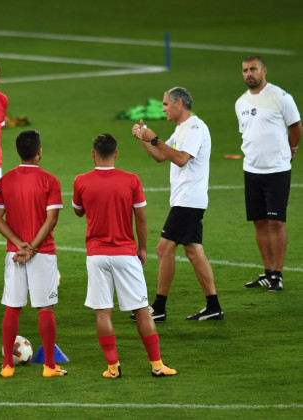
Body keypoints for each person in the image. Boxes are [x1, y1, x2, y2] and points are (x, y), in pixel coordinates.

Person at [73, 133, 177, 378]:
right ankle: (157, 365)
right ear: (116, 154)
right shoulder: (131, 180)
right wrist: (142, 248)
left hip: (96, 255)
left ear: (93, 154)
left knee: (103, 312)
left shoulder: (81, 180)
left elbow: (78, 211)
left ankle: (112, 368)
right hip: (126, 253)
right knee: (141, 308)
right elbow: (140, 217)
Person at [132, 87, 224, 321]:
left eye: (165, 104)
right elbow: (161, 155)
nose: (163, 108)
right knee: (194, 251)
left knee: (163, 248)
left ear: (179, 103)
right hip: (186, 199)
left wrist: (154, 138)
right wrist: (144, 138)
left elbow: (182, 159)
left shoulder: (195, 127)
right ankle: (214, 307)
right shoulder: (181, 128)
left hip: (189, 201)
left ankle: (159, 308)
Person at [0, 129, 66, 378]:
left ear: (18, 152)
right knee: (45, 309)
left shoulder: (5, 181)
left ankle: (7, 366)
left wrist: (19, 244)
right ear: (39, 152)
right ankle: (49, 368)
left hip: (15, 254)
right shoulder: (50, 181)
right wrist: (32, 246)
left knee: (12, 308)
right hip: (42, 253)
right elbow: (51, 219)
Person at [236, 55, 301, 291]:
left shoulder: (280, 97)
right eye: (244, 70)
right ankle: (268, 272)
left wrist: (291, 150)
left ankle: (278, 274)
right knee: (260, 222)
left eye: (253, 69)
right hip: (251, 170)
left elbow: (295, 127)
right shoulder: (240, 102)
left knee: (276, 222)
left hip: (277, 170)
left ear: (264, 71)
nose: (248, 74)